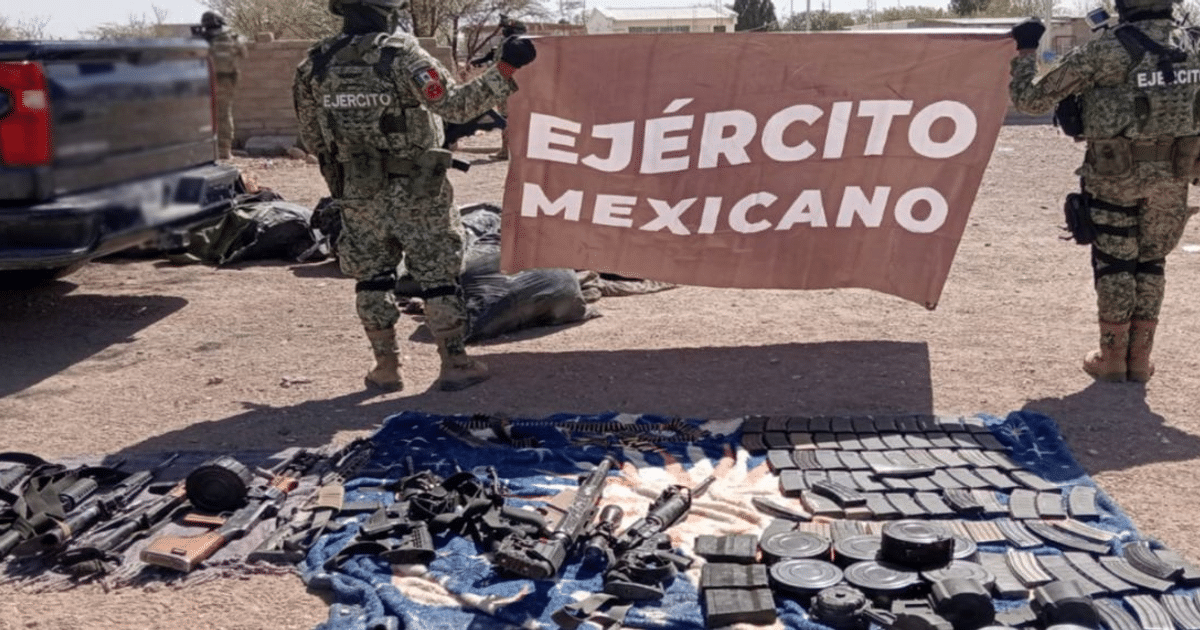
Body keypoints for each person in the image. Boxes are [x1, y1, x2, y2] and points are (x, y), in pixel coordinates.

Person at [292, 0, 536, 392]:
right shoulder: (403, 56)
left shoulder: (315, 64)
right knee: (438, 277)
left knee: (371, 278)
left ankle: (386, 369)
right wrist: (505, 68)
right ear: (387, 11)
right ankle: (455, 363)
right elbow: (456, 106)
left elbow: (312, 138)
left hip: (359, 191)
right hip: (418, 191)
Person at [1008, 0, 1200, 383]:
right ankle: (1140, 360)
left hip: (1116, 173)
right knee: (1152, 261)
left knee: (1115, 261)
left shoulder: (1106, 49)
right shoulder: (1192, 45)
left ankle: (1112, 357)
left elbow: (1030, 100)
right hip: (1174, 174)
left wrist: (1029, 50)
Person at [470, 15, 527, 160]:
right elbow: (495, 59)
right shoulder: (507, 43)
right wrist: (482, 61)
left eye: (508, 29)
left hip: (511, 87)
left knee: (508, 118)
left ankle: (507, 151)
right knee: (507, 117)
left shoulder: (519, 44)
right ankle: (506, 150)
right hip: (503, 86)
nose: (504, 32)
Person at [196, 11, 246, 160]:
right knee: (224, 114)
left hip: (203, 81)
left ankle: (205, 150)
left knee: (204, 115)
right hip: (226, 81)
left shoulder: (200, 40)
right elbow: (243, 54)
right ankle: (224, 150)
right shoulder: (233, 38)